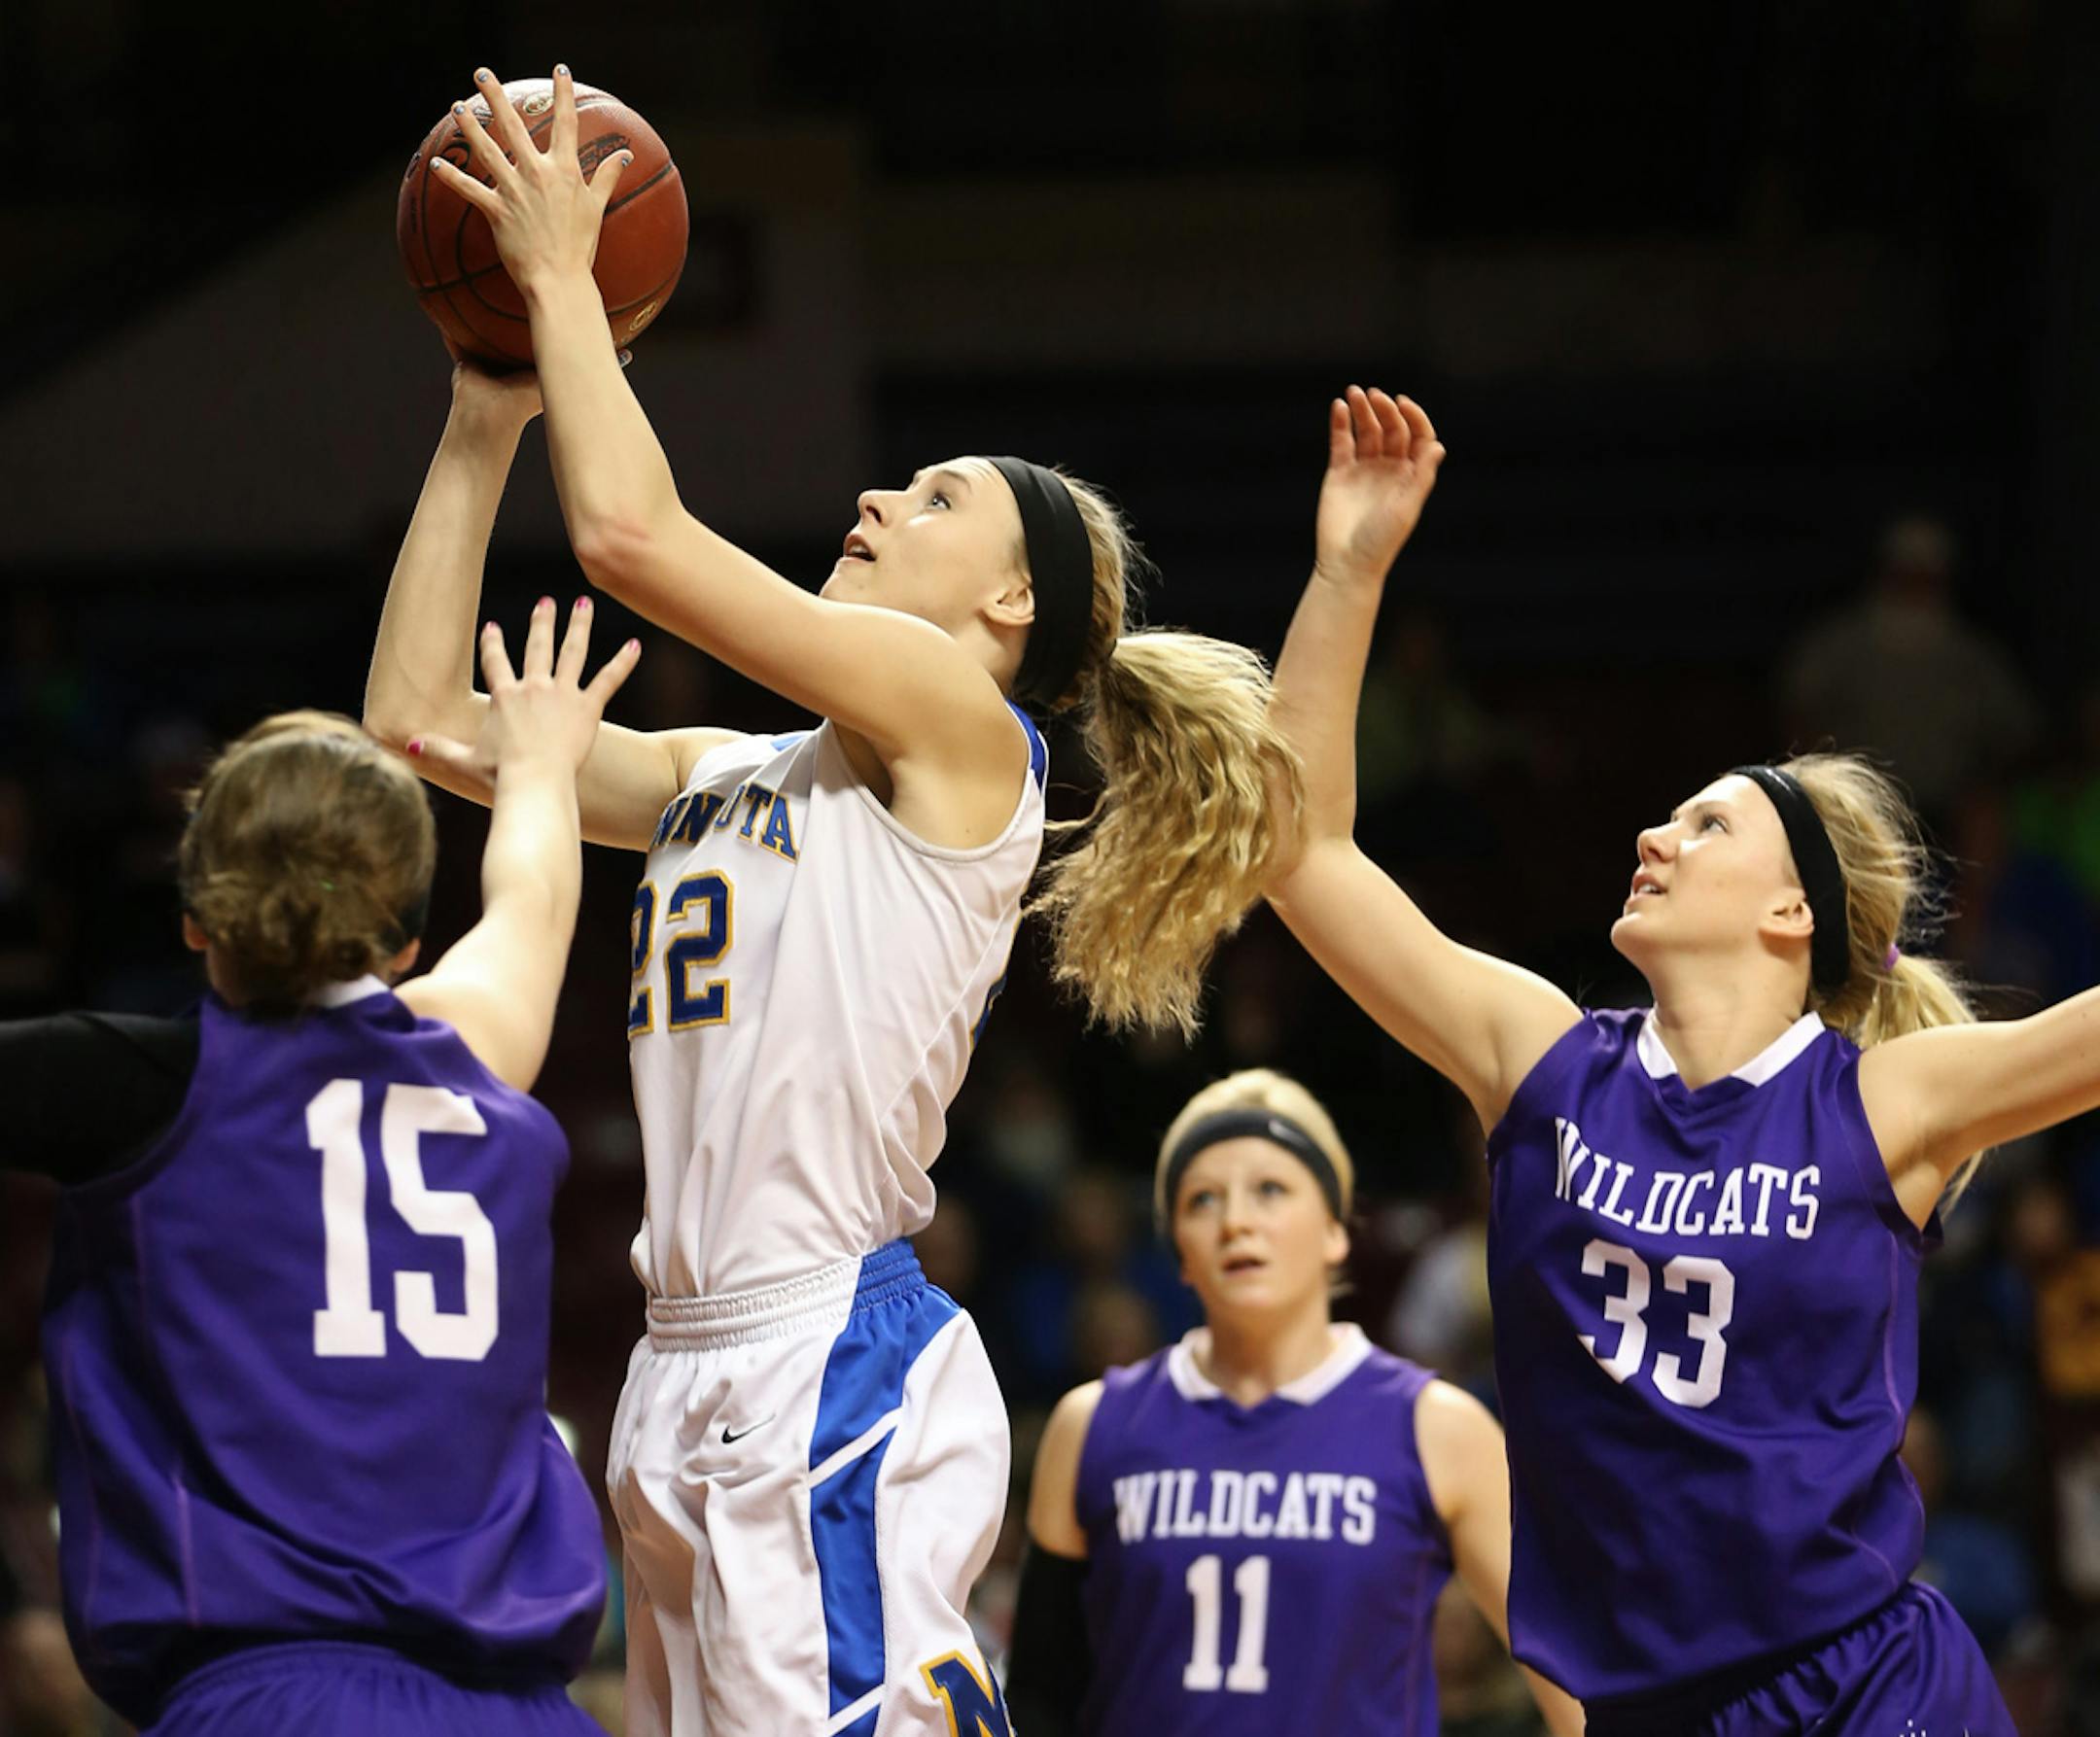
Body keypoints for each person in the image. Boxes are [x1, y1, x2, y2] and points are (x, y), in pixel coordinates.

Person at [367, 64, 1301, 1737]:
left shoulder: (961, 734)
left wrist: (571, 279)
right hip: (675, 1368)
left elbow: (633, 537)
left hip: (828, 1352)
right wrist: (482, 409)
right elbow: (417, 722)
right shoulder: (731, 767)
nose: (876, 499)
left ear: (1010, 599)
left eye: (935, 498)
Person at [1262, 385, 2028, 1733]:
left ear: (1793, 912)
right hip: (1643, 1707)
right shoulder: (1546, 1060)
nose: (1655, 837)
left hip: (1865, 1684)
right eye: (1665, 818)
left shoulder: (1876, 1101)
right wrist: (1348, 568)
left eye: (1708, 823)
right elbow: (1303, 851)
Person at [0, 603, 638, 1734]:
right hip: (525, 1711)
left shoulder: (128, 1088)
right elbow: (534, 900)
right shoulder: (479, 1061)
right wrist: (540, 760)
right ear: (401, 942)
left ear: (197, 920)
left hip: (270, 1696)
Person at [1007, 1068, 1583, 1736]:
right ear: (1181, 1257)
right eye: (1202, 1200)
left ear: (1336, 1230)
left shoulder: (1435, 1427)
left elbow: (1582, 1694)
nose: (1236, 1221)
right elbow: (1037, 1706)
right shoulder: (1091, 1426)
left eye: (1271, 1190)